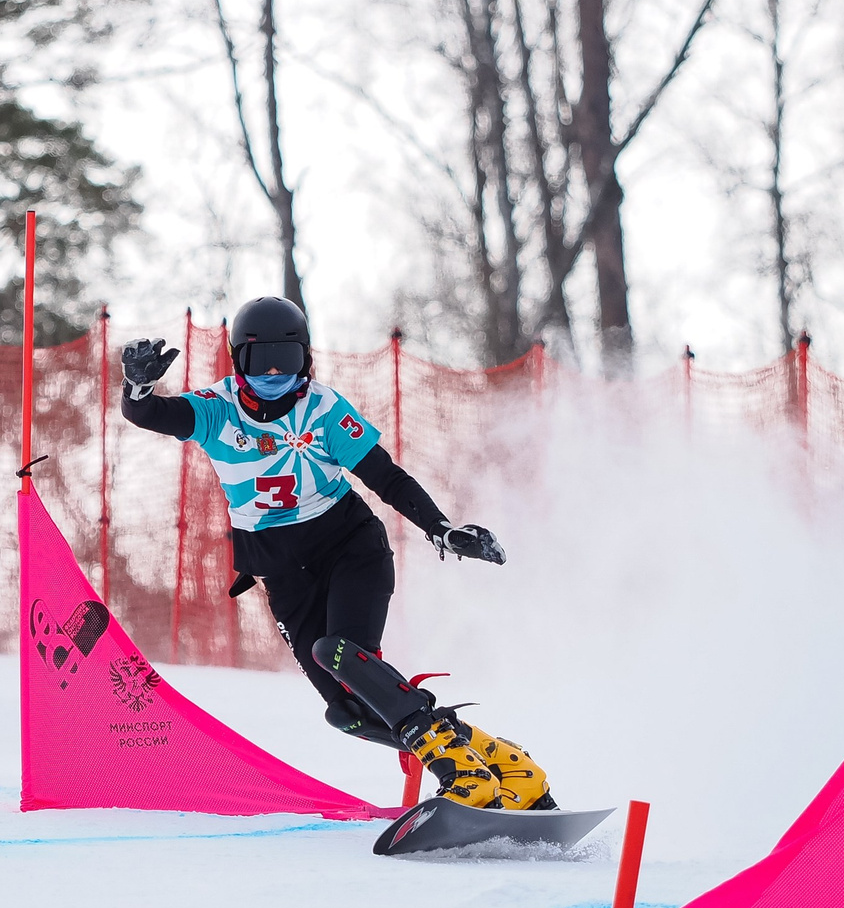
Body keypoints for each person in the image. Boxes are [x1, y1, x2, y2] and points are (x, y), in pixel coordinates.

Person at [119, 295, 554, 811]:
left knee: (339, 651)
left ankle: (458, 773)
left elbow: (383, 475)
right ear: (239, 362)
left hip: (350, 550)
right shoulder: (217, 410)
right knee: (347, 713)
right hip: (282, 572)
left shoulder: (322, 409)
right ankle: (497, 759)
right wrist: (138, 385)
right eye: (261, 362)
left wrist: (441, 529)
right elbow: (148, 413)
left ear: (308, 358)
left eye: (290, 359)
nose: (276, 374)